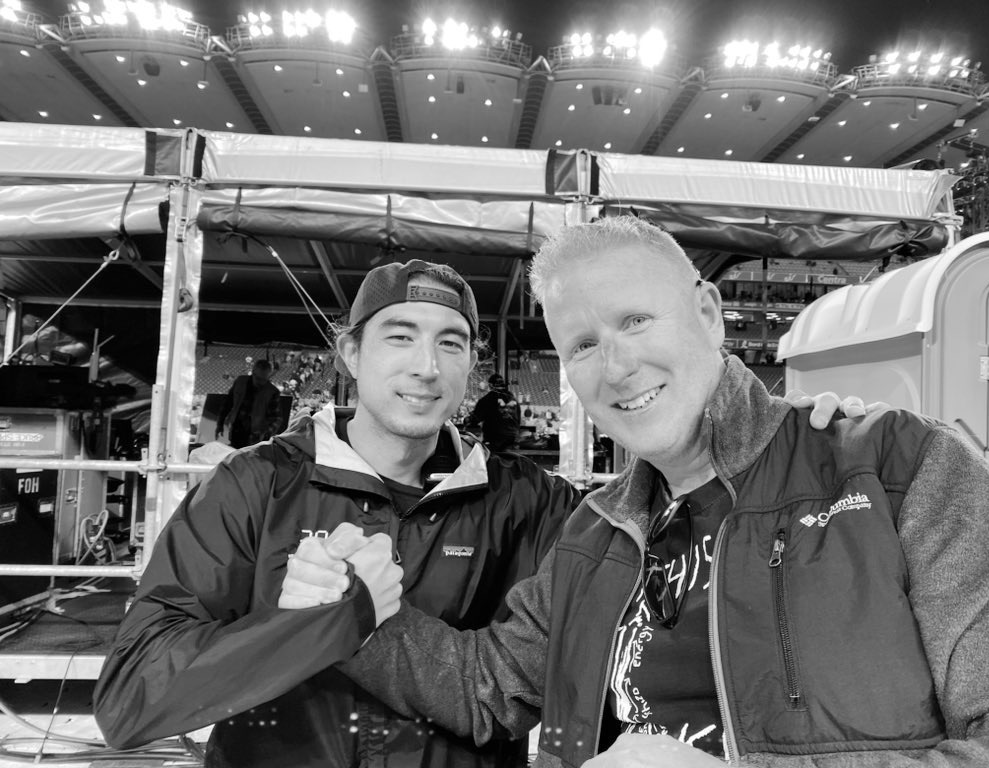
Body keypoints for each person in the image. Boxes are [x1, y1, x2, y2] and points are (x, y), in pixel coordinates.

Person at [95, 255, 861, 768]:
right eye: (400, 337)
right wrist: (300, 624)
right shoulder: (253, 488)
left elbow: (671, 541)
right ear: (350, 352)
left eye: (452, 344)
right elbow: (130, 704)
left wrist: (787, 446)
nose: (427, 367)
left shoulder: (531, 504)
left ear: (472, 364)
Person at [327, 217, 989, 767]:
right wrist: (345, 610)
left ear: (710, 315)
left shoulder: (901, 472)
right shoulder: (593, 534)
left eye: (635, 321)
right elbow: (485, 683)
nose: (618, 366)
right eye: (582, 346)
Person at [215, 358, 283, 448]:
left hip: (256, 437)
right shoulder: (240, 382)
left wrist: (265, 434)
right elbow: (227, 403)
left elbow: (276, 418)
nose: (261, 383)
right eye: (258, 378)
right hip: (236, 430)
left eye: (264, 379)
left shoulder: (272, 392)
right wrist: (220, 423)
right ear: (253, 373)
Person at [466, 372, 522, 452]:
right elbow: (518, 419)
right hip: (513, 438)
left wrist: (468, 420)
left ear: (490, 385)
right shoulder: (513, 398)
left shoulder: (487, 399)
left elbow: (475, 419)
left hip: (495, 438)